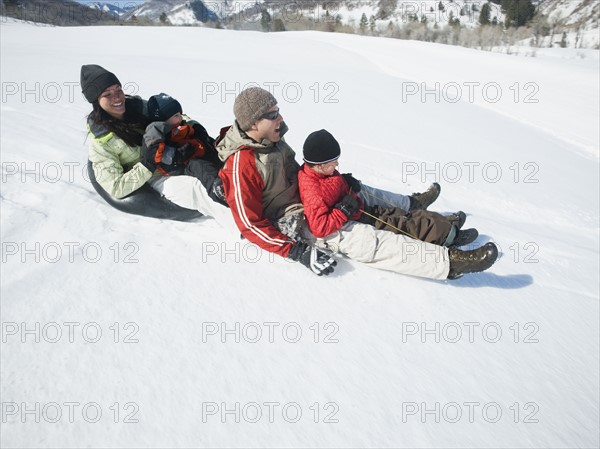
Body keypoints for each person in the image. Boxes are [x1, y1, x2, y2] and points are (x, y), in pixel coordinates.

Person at [216, 87, 498, 279]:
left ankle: (415, 208)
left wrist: (324, 177)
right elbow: (249, 224)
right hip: (295, 219)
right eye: (273, 114)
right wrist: (297, 251)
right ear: (253, 123)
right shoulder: (240, 165)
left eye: (278, 110)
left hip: (306, 195)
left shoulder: (272, 140)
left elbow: (288, 173)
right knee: (363, 238)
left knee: (359, 189)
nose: (281, 118)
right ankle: (449, 262)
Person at [81, 64, 233, 227]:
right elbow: (116, 187)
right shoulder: (101, 142)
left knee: (222, 166)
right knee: (197, 189)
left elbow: (173, 116)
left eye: (118, 90)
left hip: (178, 156)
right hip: (154, 177)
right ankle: (245, 226)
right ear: (96, 100)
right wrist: (147, 165)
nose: (117, 98)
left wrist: (193, 127)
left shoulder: (140, 107)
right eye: (107, 95)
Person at [298, 129, 479, 247]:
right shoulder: (313, 192)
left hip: (362, 209)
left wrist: (346, 183)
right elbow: (319, 227)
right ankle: (448, 236)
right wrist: (343, 211)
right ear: (319, 165)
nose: (337, 165)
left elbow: (333, 190)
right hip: (357, 219)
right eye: (333, 163)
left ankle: (444, 222)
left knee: (400, 214)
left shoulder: (322, 173)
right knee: (403, 225)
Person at [143, 92, 226, 205]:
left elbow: (191, 134)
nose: (181, 117)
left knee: (216, 148)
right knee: (200, 166)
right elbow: (154, 154)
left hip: (192, 153)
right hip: (180, 166)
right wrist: (179, 154)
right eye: (176, 115)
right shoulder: (155, 129)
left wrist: (201, 135)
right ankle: (219, 190)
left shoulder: (178, 125)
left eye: (180, 114)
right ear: (163, 118)